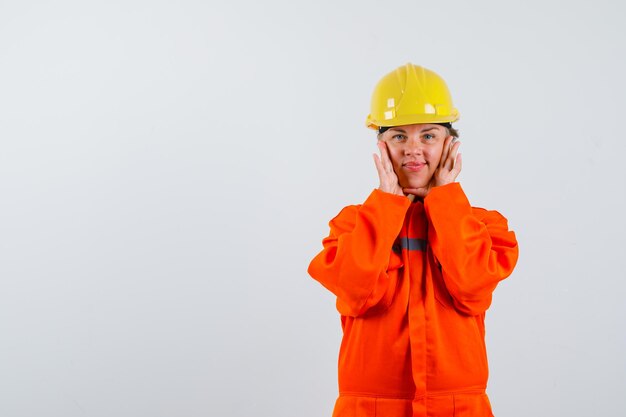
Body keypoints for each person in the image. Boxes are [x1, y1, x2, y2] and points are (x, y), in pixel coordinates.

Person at [308, 63, 519, 417]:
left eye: (428, 135)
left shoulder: (483, 225)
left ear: (450, 144)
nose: (413, 149)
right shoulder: (352, 224)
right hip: (368, 408)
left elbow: (471, 286)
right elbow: (356, 288)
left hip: (460, 408)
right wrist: (385, 207)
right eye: (399, 136)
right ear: (382, 146)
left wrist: (447, 200)